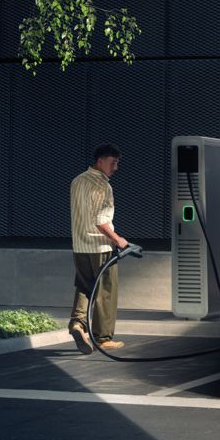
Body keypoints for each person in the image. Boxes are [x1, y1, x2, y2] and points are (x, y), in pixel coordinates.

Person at [69, 144, 131, 353]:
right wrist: (118, 239)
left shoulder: (77, 181)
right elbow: (100, 221)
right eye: (113, 163)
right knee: (105, 292)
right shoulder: (103, 186)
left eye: (117, 163)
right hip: (100, 246)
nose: (116, 167)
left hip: (79, 245)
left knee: (85, 286)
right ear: (100, 162)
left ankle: (77, 323)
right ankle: (103, 338)